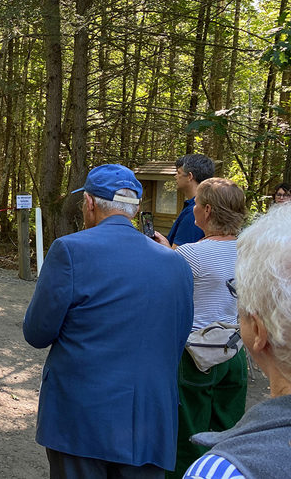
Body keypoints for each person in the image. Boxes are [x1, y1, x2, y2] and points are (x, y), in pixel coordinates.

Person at [23, 164, 194, 479]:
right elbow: (179, 337)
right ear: (136, 208)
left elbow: (37, 332)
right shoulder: (176, 263)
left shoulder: (69, 251)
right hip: (150, 421)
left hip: (81, 419)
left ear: (89, 203)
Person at [181, 204, 291, 478]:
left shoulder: (226, 470)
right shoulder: (241, 249)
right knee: (229, 416)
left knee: (189, 427)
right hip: (234, 352)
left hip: (194, 353)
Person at [154, 178, 248, 478]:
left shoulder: (189, 255)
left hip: (194, 358)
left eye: (196, 203)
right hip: (235, 354)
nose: (192, 208)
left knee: (187, 438)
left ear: (207, 211)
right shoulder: (251, 252)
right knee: (229, 432)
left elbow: (164, 302)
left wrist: (167, 253)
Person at [167, 154, 215, 248]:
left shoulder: (195, 212)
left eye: (179, 173)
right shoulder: (209, 204)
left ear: (190, 176)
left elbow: (178, 257)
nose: (175, 176)